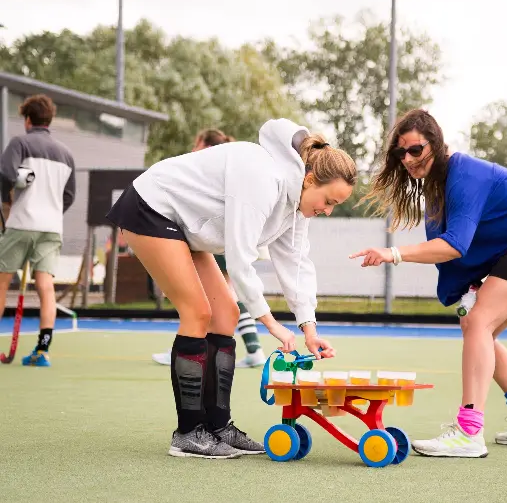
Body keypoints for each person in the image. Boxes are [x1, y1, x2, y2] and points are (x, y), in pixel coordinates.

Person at [106, 118, 356, 459]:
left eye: (334, 207)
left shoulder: (296, 209)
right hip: (150, 207)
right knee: (198, 312)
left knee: (226, 313)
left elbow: (296, 266)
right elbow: (239, 262)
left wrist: (308, 329)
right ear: (310, 179)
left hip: (184, 226)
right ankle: (188, 433)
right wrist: (271, 323)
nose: (327, 211)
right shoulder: (263, 179)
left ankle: (218, 426)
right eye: (329, 201)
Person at [350, 109, 507, 458]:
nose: (408, 159)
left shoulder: (463, 174)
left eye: (416, 150)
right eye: (401, 153)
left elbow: (454, 245)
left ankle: (468, 432)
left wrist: (392, 253)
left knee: (477, 324)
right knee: (480, 329)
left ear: (437, 143)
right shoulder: (439, 184)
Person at [150, 129, 268, 368]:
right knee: (226, 294)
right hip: (230, 236)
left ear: (203, 144)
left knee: (201, 296)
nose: (193, 148)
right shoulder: (228, 164)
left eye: (196, 143)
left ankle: (188, 347)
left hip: (218, 237)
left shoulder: (207, 167)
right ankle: (253, 348)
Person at [0, 94, 76, 367]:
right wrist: (51, 212)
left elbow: (6, 174)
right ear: (50, 119)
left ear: (27, 119)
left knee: (1, 281)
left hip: (21, 223)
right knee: (45, 286)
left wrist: (7, 200)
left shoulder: (19, 142)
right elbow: (69, 196)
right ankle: (42, 351)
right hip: (51, 228)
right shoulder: (66, 154)